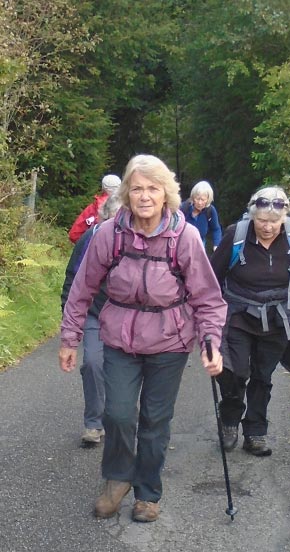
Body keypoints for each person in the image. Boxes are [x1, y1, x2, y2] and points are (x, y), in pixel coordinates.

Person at [59, 154, 227, 523]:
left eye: (153, 188)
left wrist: (211, 341)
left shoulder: (185, 237)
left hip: (170, 342)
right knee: (117, 413)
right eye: (137, 188)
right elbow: (82, 289)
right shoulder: (108, 235)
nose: (145, 196)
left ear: (166, 194)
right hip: (120, 339)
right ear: (126, 194)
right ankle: (118, 479)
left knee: (155, 419)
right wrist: (70, 338)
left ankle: (148, 492)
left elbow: (207, 297)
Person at [210, 186, 290, 457]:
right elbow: (212, 277)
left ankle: (255, 432)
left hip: (280, 318)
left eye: (274, 222)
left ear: (284, 218)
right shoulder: (236, 235)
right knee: (235, 371)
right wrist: (203, 314)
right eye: (261, 221)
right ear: (252, 216)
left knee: (263, 376)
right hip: (239, 316)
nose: (267, 227)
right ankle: (230, 419)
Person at [61, 194, 122, 446]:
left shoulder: (137, 240)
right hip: (95, 313)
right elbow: (72, 279)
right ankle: (94, 424)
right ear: (103, 217)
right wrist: (69, 325)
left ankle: (120, 417)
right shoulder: (89, 239)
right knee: (94, 363)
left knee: (122, 370)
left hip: (127, 317)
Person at [68, 174, 121, 243]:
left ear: (103, 188)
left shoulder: (93, 208)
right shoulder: (128, 207)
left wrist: (87, 246)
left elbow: (74, 234)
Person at [180, 180, 222, 251]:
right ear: (193, 197)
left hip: (200, 245)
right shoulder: (183, 208)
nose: (200, 203)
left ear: (208, 200)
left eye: (203, 200)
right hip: (181, 244)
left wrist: (216, 245)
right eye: (197, 199)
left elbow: (216, 229)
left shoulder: (210, 211)